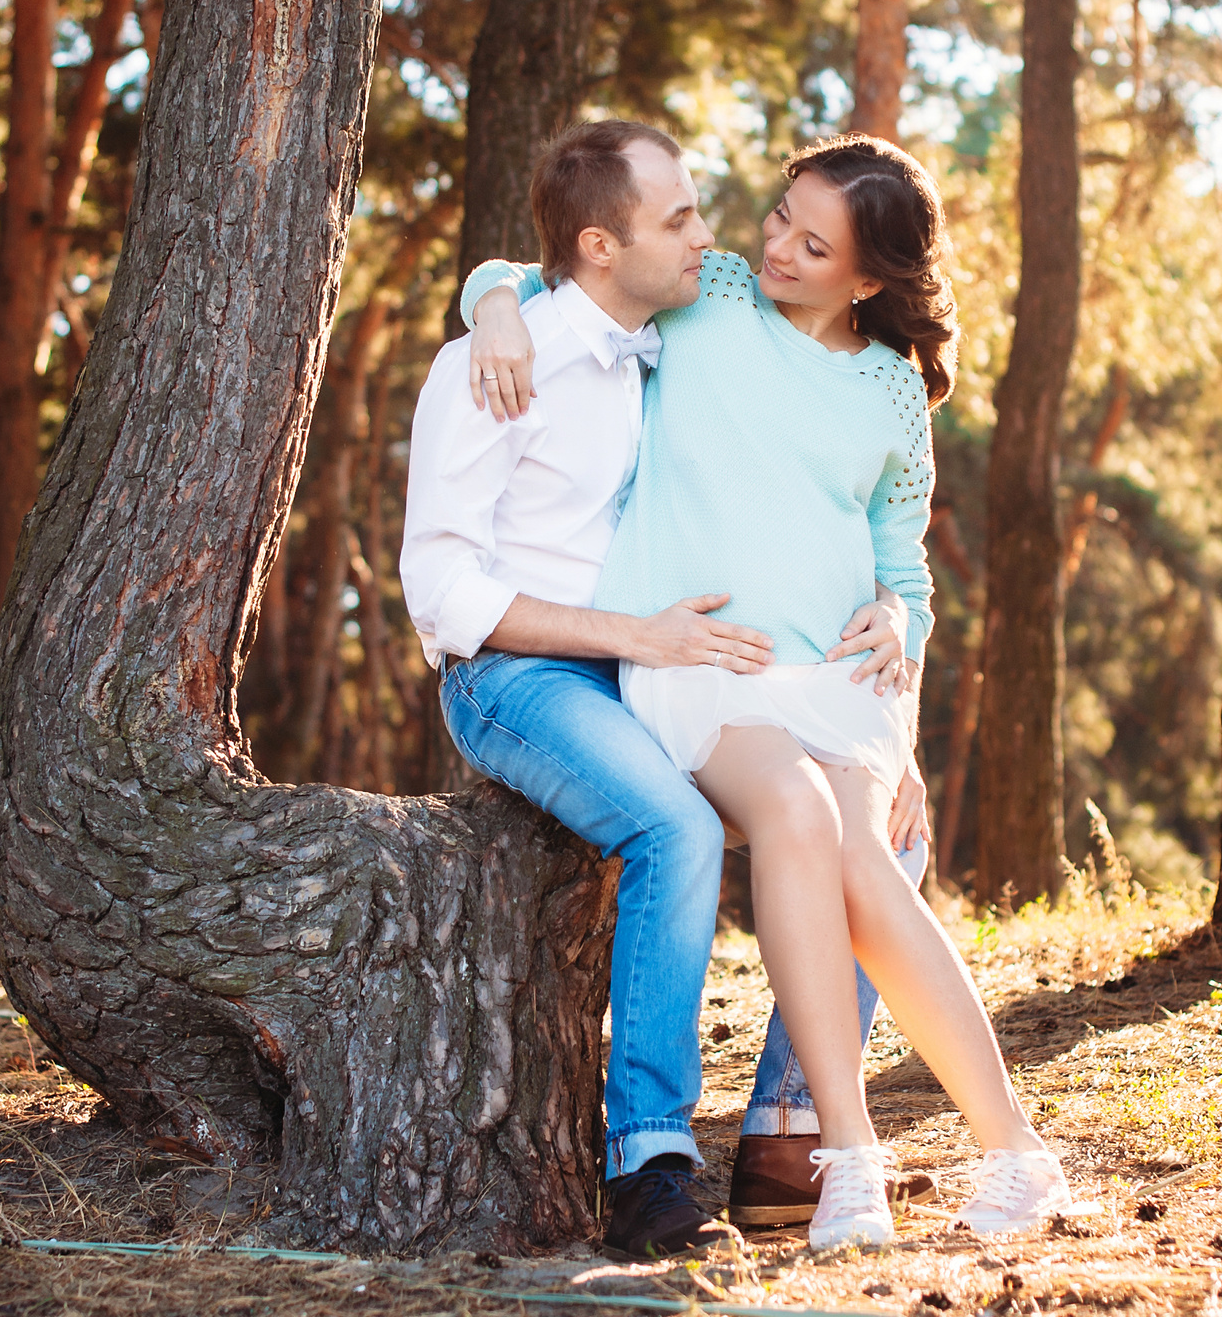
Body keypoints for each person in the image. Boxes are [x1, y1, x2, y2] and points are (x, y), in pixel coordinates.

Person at [461, 131, 1077, 1251]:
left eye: (813, 239)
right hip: (703, 663)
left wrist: (900, 659)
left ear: (872, 276)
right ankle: (850, 1158)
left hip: (840, 682)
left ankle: (1016, 1157)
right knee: (793, 811)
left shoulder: (893, 393)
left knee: (871, 868)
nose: (776, 244)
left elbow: (905, 572)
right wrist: (489, 299)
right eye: (781, 215)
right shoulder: (711, 299)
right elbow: (565, 272)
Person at [398, 120, 916, 1260]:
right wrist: (494, 304)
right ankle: (648, 1160)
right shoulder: (496, 361)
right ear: (601, 243)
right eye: (681, 218)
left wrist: (892, 691)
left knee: (876, 832)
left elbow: (862, 532)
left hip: (657, 661)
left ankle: (791, 1134)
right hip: (519, 673)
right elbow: (439, 590)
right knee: (675, 830)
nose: (716, 235)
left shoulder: (673, 331)